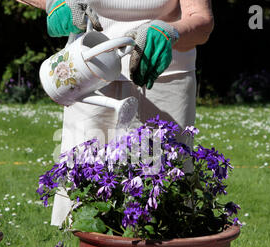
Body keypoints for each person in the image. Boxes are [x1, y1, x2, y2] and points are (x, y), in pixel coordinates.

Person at [16, 0, 214, 226]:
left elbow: (202, 21)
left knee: (165, 203)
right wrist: (53, 2)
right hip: (88, 71)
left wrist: (171, 32)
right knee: (88, 202)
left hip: (161, 73)